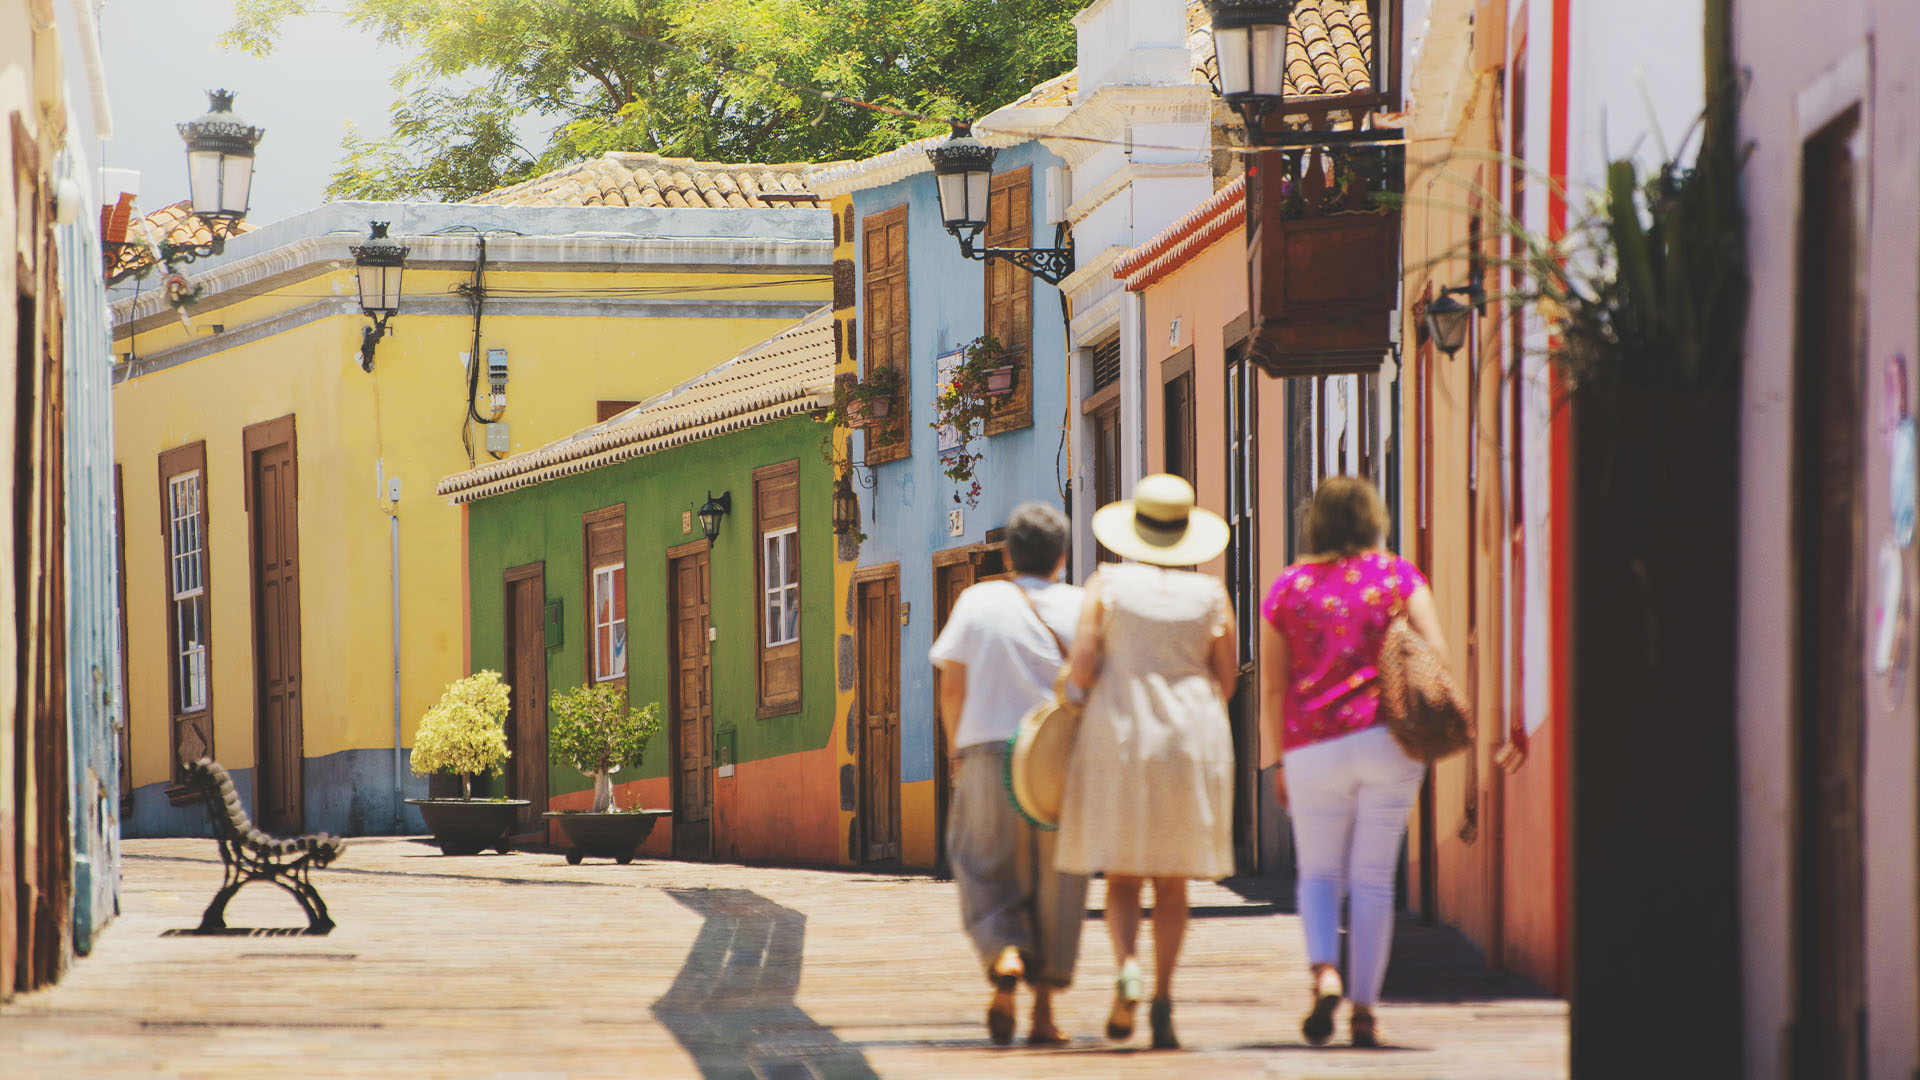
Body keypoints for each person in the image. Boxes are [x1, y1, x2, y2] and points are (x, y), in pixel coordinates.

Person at [1260, 475, 1451, 1048]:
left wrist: (1280, 762)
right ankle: (1365, 1009)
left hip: (1313, 744)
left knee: (1319, 872)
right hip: (1386, 739)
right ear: (1374, 519)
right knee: (1372, 880)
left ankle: (1325, 973)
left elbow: (1273, 686)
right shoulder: (1397, 577)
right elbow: (1435, 652)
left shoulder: (1289, 587)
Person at [1055, 474, 1238, 1051]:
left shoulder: (1107, 586)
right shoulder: (1209, 595)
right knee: (1173, 877)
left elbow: (1082, 669)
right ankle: (1163, 996)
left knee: (1124, 874)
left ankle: (1127, 967)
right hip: (1190, 737)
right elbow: (1227, 680)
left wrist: (1066, 693)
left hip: (1123, 732)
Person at [928, 501, 1089, 1046]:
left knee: (982, 862)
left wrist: (958, 749)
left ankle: (1005, 952)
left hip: (988, 751)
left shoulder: (978, 600)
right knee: (1059, 884)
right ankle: (1044, 1014)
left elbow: (952, 684)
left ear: (1007, 553)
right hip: (1058, 762)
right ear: (1062, 557)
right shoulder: (1082, 606)